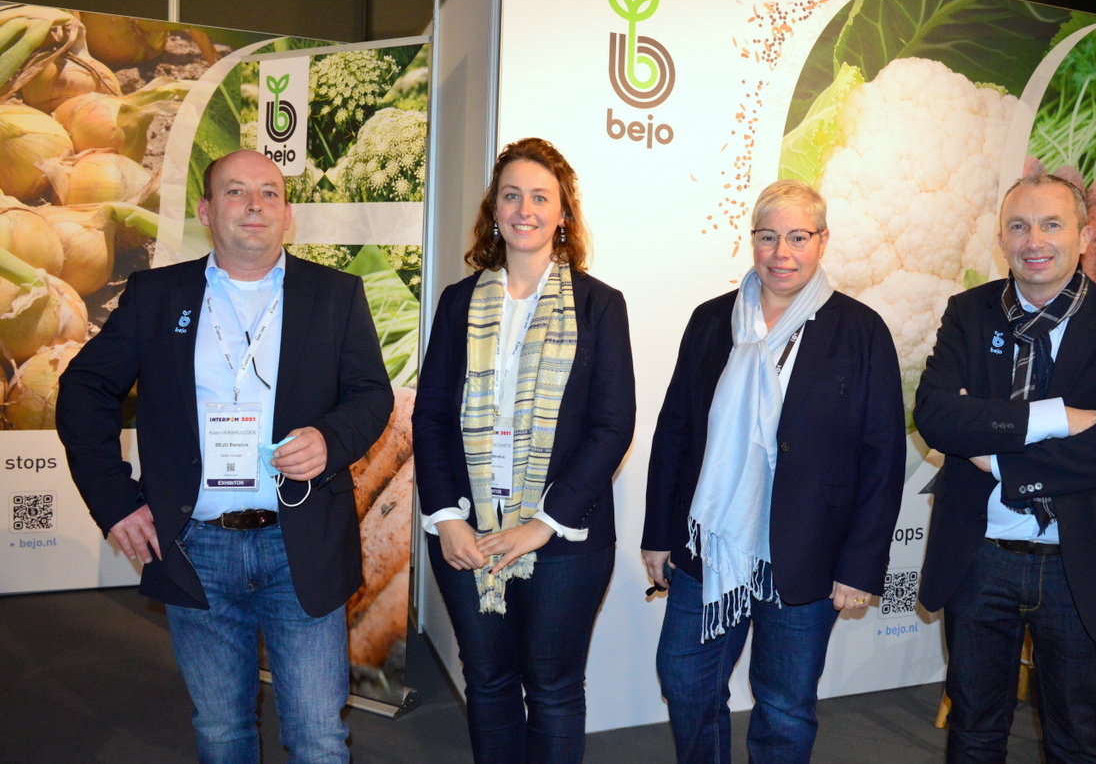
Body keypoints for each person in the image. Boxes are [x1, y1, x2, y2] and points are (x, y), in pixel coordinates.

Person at [56, 149, 393, 763]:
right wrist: (115, 502)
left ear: (287, 213)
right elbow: (84, 390)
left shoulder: (335, 294)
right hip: (196, 547)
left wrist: (330, 439)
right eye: (236, 191)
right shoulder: (157, 295)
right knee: (221, 731)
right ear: (207, 211)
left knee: (319, 735)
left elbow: (371, 395)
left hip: (301, 543)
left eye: (269, 192)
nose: (255, 205)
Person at [642, 179, 906, 763]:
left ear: (823, 241)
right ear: (752, 240)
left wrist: (859, 565)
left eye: (798, 237)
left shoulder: (860, 331)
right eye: (768, 237)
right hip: (712, 543)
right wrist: (659, 532)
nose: (781, 252)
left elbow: (882, 459)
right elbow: (675, 430)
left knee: (784, 706)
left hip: (809, 549)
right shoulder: (711, 321)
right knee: (685, 679)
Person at [913, 173, 1096, 762]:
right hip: (981, 555)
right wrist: (1058, 417)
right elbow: (937, 416)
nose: (1035, 240)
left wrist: (1005, 464)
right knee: (974, 729)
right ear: (1001, 238)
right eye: (1019, 226)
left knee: (1077, 737)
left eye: (1052, 224)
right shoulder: (969, 313)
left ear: (1086, 236)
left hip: (1082, 561)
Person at [413, 137, 635, 763]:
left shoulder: (599, 306)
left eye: (541, 197)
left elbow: (612, 426)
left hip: (563, 538)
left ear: (563, 213)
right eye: (511, 195)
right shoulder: (458, 302)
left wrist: (543, 524)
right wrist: (446, 517)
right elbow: (430, 416)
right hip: (468, 531)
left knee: (554, 688)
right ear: (494, 210)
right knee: (487, 681)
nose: (525, 209)